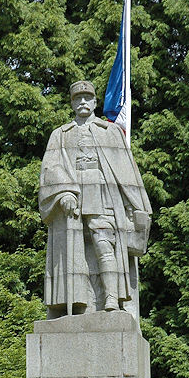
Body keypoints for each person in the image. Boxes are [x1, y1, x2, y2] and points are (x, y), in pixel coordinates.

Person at [39, 80, 151, 319]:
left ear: (94, 102)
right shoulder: (59, 135)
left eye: (87, 98)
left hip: (102, 195)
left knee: (104, 244)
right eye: (77, 98)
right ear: (71, 103)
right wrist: (64, 192)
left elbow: (127, 174)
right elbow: (51, 168)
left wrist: (136, 210)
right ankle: (77, 303)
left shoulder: (109, 132)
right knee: (73, 251)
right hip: (73, 197)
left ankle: (111, 297)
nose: (82, 102)